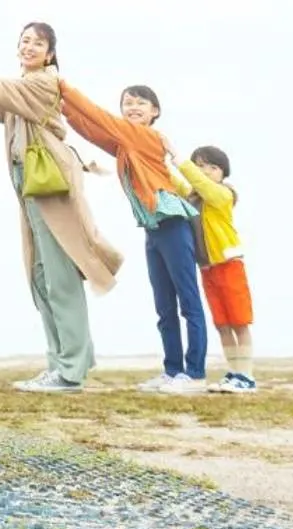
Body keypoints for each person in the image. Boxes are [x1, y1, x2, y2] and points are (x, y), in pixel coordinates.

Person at [0, 23, 124, 393]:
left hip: (50, 183)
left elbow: (0, 89)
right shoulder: (21, 90)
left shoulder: (42, 82)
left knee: (60, 277)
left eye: (38, 42)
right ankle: (61, 362)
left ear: (50, 53)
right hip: (31, 187)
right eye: (25, 40)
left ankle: (71, 369)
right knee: (41, 277)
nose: (30, 46)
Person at [57, 79, 210, 394]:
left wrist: (61, 87)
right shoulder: (125, 141)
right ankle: (172, 371)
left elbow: (98, 117)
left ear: (155, 112)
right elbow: (94, 130)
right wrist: (63, 111)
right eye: (128, 102)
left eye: (141, 102)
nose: (133, 107)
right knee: (163, 305)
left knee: (188, 299)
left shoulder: (145, 135)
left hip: (172, 222)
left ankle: (194, 374)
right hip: (154, 227)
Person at [174, 144, 256, 393]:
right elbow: (176, 183)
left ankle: (247, 376)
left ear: (223, 172)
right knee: (222, 324)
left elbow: (206, 188)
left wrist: (183, 165)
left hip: (229, 264)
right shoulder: (193, 196)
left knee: (239, 322)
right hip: (208, 268)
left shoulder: (223, 194)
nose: (206, 171)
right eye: (200, 166)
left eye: (212, 167)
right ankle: (234, 373)